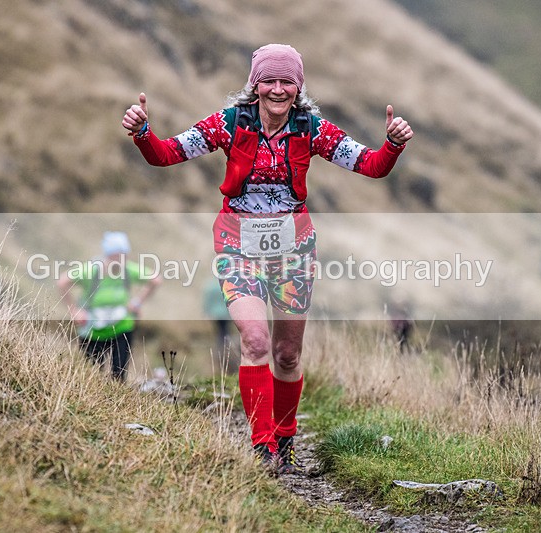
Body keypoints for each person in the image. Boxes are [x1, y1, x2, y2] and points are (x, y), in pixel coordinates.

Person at [122, 43, 413, 473]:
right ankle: (262, 448)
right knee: (255, 340)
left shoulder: (311, 128)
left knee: (288, 354)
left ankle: (285, 437)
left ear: (298, 87)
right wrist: (143, 132)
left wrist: (391, 145)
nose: (278, 89)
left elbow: (371, 166)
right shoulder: (230, 123)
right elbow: (167, 154)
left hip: (293, 251)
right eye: (269, 80)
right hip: (237, 245)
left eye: (287, 81)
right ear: (254, 85)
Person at [57, 231, 161, 382]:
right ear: (108, 255)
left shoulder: (128, 270)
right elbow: (63, 282)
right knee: (91, 377)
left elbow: (155, 280)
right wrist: (74, 311)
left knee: (118, 376)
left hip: (121, 327)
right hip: (93, 330)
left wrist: (137, 302)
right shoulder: (91, 270)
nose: (121, 260)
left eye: (124, 255)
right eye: (117, 256)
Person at [203, 277, 238, 374]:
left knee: (220, 332)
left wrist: (206, 313)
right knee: (225, 331)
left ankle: (221, 347)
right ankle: (226, 347)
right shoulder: (227, 285)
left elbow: (207, 301)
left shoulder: (211, 286)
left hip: (215, 314)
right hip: (226, 314)